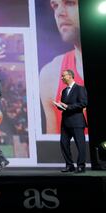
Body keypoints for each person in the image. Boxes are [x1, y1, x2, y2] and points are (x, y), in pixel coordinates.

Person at [39, 0, 85, 134]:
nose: (59, 13)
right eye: (55, 5)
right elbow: (54, 150)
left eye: (70, 3)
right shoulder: (50, 73)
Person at [53, 69, 87, 173]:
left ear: (70, 76)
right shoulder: (64, 91)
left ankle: (81, 166)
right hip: (66, 122)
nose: (62, 78)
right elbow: (64, 106)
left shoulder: (80, 89)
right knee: (64, 143)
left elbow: (83, 103)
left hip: (77, 121)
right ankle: (69, 165)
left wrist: (68, 106)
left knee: (80, 144)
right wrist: (59, 106)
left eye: (63, 76)